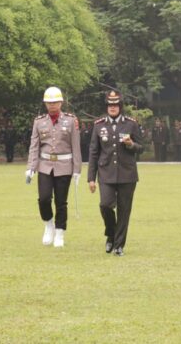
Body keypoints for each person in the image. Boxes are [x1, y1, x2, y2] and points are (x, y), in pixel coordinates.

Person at [88, 91, 143, 257]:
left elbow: (141, 147)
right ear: (107, 107)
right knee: (105, 205)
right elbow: (94, 153)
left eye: (116, 105)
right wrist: (91, 178)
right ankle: (110, 234)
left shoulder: (131, 124)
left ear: (120, 106)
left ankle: (119, 245)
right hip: (106, 173)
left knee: (124, 210)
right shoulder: (99, 125)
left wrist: (131, 144)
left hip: (127, 174)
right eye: (110, 105)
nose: (113, 108)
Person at [25, 86, 82, 248]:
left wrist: (77, 169)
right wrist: (31, 166)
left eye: (55, 102)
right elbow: (34, 146)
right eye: (49, 103)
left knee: (61, 201)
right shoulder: (39, 122)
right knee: (43, 199)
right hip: (44, 165)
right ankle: (48, 224)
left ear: (61, 103)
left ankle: (59, 232)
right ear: (45, 104)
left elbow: (75, 146)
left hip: (64, 165)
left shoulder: (70, 121)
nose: (52, 105)